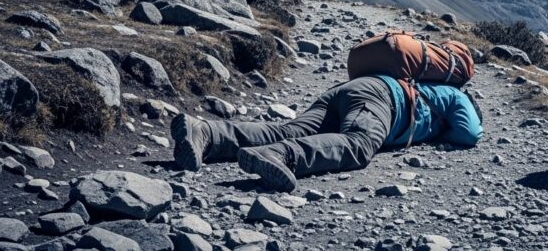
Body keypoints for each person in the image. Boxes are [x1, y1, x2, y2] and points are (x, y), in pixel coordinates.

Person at [170, 75, 483, 192]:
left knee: (288, 128)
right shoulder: (456, 96)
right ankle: (280, 156)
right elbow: (468, 134)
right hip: (383, 100)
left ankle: (206, 132)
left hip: (353, 88)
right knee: (359, 145)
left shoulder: (429, 86)